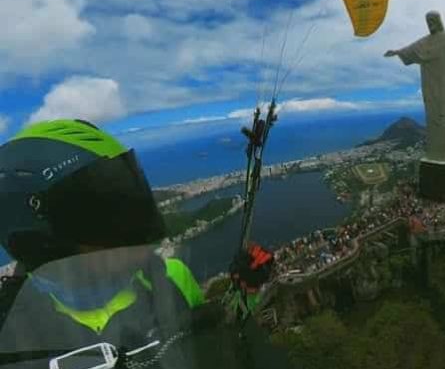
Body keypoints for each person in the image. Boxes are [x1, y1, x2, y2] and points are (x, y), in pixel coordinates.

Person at [0, 119, 289, 368]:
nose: (129, 233)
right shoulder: (12, 330)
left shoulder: (171, 276)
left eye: (127, 208)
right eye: (103, 221)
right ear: (41, 240)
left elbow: (215, 333)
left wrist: (247, 290)